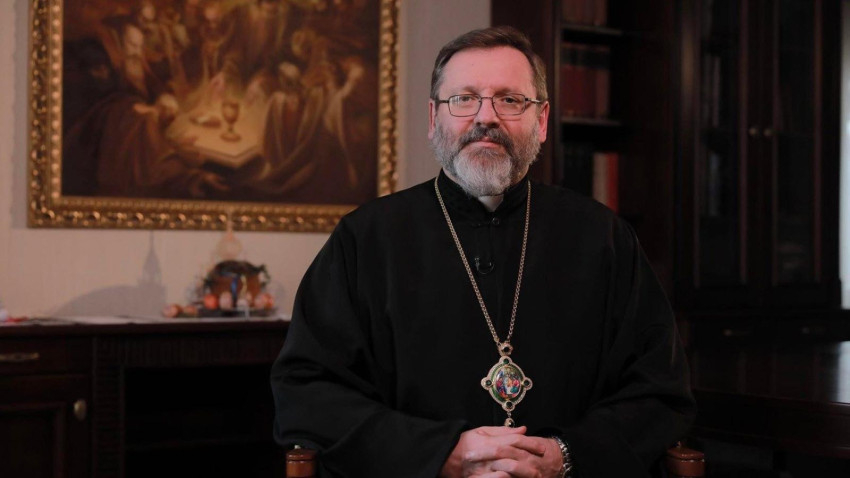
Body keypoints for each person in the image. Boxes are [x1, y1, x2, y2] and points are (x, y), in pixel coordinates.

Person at [271, 26, 695, 477]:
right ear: (434, 118)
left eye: (510, 100)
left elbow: (660, 394)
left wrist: (564, 454)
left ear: (542, 120)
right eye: (464, 99)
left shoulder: (604, 238)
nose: (486, 117)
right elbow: (307, 392)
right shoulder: (365, 239)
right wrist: (441, 454)